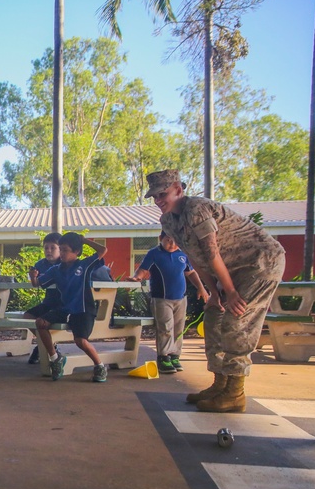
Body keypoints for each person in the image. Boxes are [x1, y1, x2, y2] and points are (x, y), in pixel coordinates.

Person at [147, 169, 285, 413]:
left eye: (163, 194)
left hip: (260, 263)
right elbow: (196, 258)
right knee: (214, 316)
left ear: (179, 190)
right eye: (154, 196)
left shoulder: (197, 208)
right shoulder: (168, 221)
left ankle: (235, 393)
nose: (158, 200)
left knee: (236, 320)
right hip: (230, 270)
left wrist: (230, 292)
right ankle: (220, 384)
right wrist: (215, 294)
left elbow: (212, 252)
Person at [127, 231, 209, 375]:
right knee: (165, 327)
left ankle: (174, 355)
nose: (172, 245)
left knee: (178, 328)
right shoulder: (154, 253)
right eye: (169, 240)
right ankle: (163, 357)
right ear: (161, 239)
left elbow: (191, 273)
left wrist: (201, 288)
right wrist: (136, 278)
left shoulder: (182, 255)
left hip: (180, 299)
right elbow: (143, 269)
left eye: (176, 241)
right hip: (161, 299)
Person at [31, 232, 109, 383]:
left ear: (76, 252)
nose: (62, 253)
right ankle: (55, 358)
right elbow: (37, 284)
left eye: (65, 250)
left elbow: (103, 250)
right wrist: (33, 276)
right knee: (40, 323)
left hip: (83, 310)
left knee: (81, 341)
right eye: (60, 249)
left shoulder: (84, 265)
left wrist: (84, 240)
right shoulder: (55, 269)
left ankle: (99, 366)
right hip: (65, 309)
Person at [24, 232, 62, 364]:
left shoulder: (65, 263)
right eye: (46, 248)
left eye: (53, 248)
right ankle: (45, 345)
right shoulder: (40, 264)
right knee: (27, 316)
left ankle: (44, 348)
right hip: (48, 302)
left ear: (60, 249)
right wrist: (33, 276)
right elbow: (35, 282)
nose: (49, 251)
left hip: (62, 304)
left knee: (42, 322)